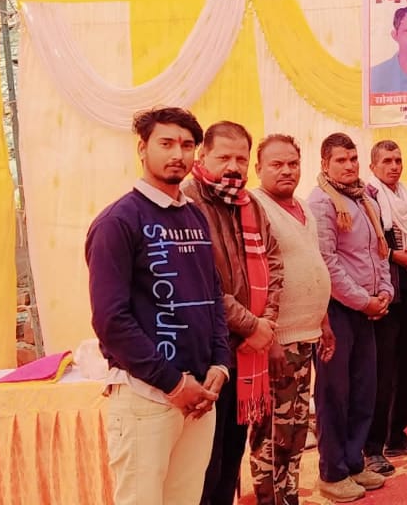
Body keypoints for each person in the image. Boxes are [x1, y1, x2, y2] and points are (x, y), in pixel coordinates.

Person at [85, 107, 231, 505]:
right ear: (142, 149)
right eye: (165, 143)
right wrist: (173, 383)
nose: (177, 154)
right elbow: (111, 321)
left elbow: (213, 297)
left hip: (199, 396)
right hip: (146, 397)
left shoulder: (195, 216)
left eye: (187, 145)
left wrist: (220, 364)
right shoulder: (117, 222)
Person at [183, 122, 285, 505]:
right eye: (223, 157)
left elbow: (274, 261)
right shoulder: (187, 203)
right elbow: (202, 281)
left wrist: (267, 323)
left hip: (248, 350)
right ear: (203, 155)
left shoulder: (249, 203)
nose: (233, 166)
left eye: (241, 159)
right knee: (204, 463)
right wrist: (252, 325)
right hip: (208, 353)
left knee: (231, 454)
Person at [307, 133, 393, 503]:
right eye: (341, 160)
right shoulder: (322, 202)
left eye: (353, 159)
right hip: (337, 311)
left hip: (367, 308)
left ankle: (354, 463)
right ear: (325, 164)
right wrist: (363, 301)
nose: (349, 166)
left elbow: (379, 251)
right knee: (334, 394)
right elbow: (326, 262)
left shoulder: (365, 199)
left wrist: (385, 291)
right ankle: (332, 472)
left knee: (363, 389)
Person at [250, 134, 335, 505]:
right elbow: (254, 277)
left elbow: (312, 265)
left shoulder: (302, 207)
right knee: (272, 435)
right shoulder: (254, 207)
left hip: (306, 335)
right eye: (277, 164)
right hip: (276, 343)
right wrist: (268, 340)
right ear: (258, 168)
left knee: (297, 431)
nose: (287, 170)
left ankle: (289, 498)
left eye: (293, 164)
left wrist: (324, 322)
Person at [363, 141, 407, 475]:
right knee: (383, 372)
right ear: (373, 166)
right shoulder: (368, 197)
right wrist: (395, 256)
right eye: (387, 161)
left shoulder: (405, 198)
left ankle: (397, 436)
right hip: (384, 292)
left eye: (398, 160)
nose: (394, 166)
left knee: (404, 366)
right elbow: (369, 243)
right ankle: (373, 447)